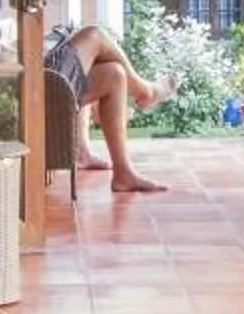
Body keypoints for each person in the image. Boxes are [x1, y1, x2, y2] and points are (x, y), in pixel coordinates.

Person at [44, 24, 168, 194]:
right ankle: (146, 92)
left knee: (114, 74)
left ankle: (123, 172)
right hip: (36, 87)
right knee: (94, 35)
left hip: (38, 81)